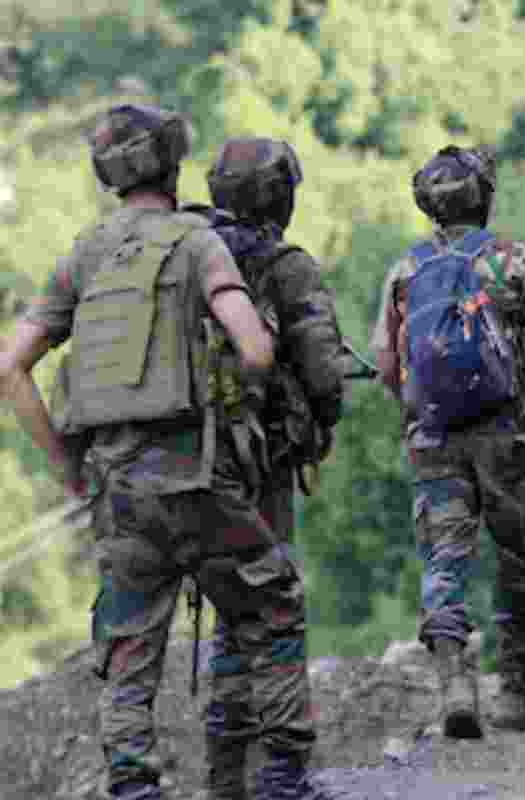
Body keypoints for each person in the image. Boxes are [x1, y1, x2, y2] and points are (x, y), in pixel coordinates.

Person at [0, 105, 320, 799]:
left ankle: (134, 785)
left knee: (129, 643)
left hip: (115, 487)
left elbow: (9, 368)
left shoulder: (85, 253)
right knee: (271, 605)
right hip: (196, 476)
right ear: (175, 165)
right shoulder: (197, 242)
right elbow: (257, 349)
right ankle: (285, 780)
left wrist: (65, 465)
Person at [367, 145, 525, 736]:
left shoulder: (406, 269)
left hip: (434, 437)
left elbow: (385, 359)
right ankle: (518, 694)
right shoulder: (508, 258)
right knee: (518, 557)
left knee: (444, 562)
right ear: (485, 196)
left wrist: (416, 407)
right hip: (506, 434)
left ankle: (454, 687)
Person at [188, 136, 346, 798]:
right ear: (279, 196)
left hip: (174, 463)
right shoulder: (284, 265)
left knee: (233, 608)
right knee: (273, 605)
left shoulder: (183, 248)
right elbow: (323, 373)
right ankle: (284, 774)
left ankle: (226, 774)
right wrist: (323, 421)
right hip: (256, 467)